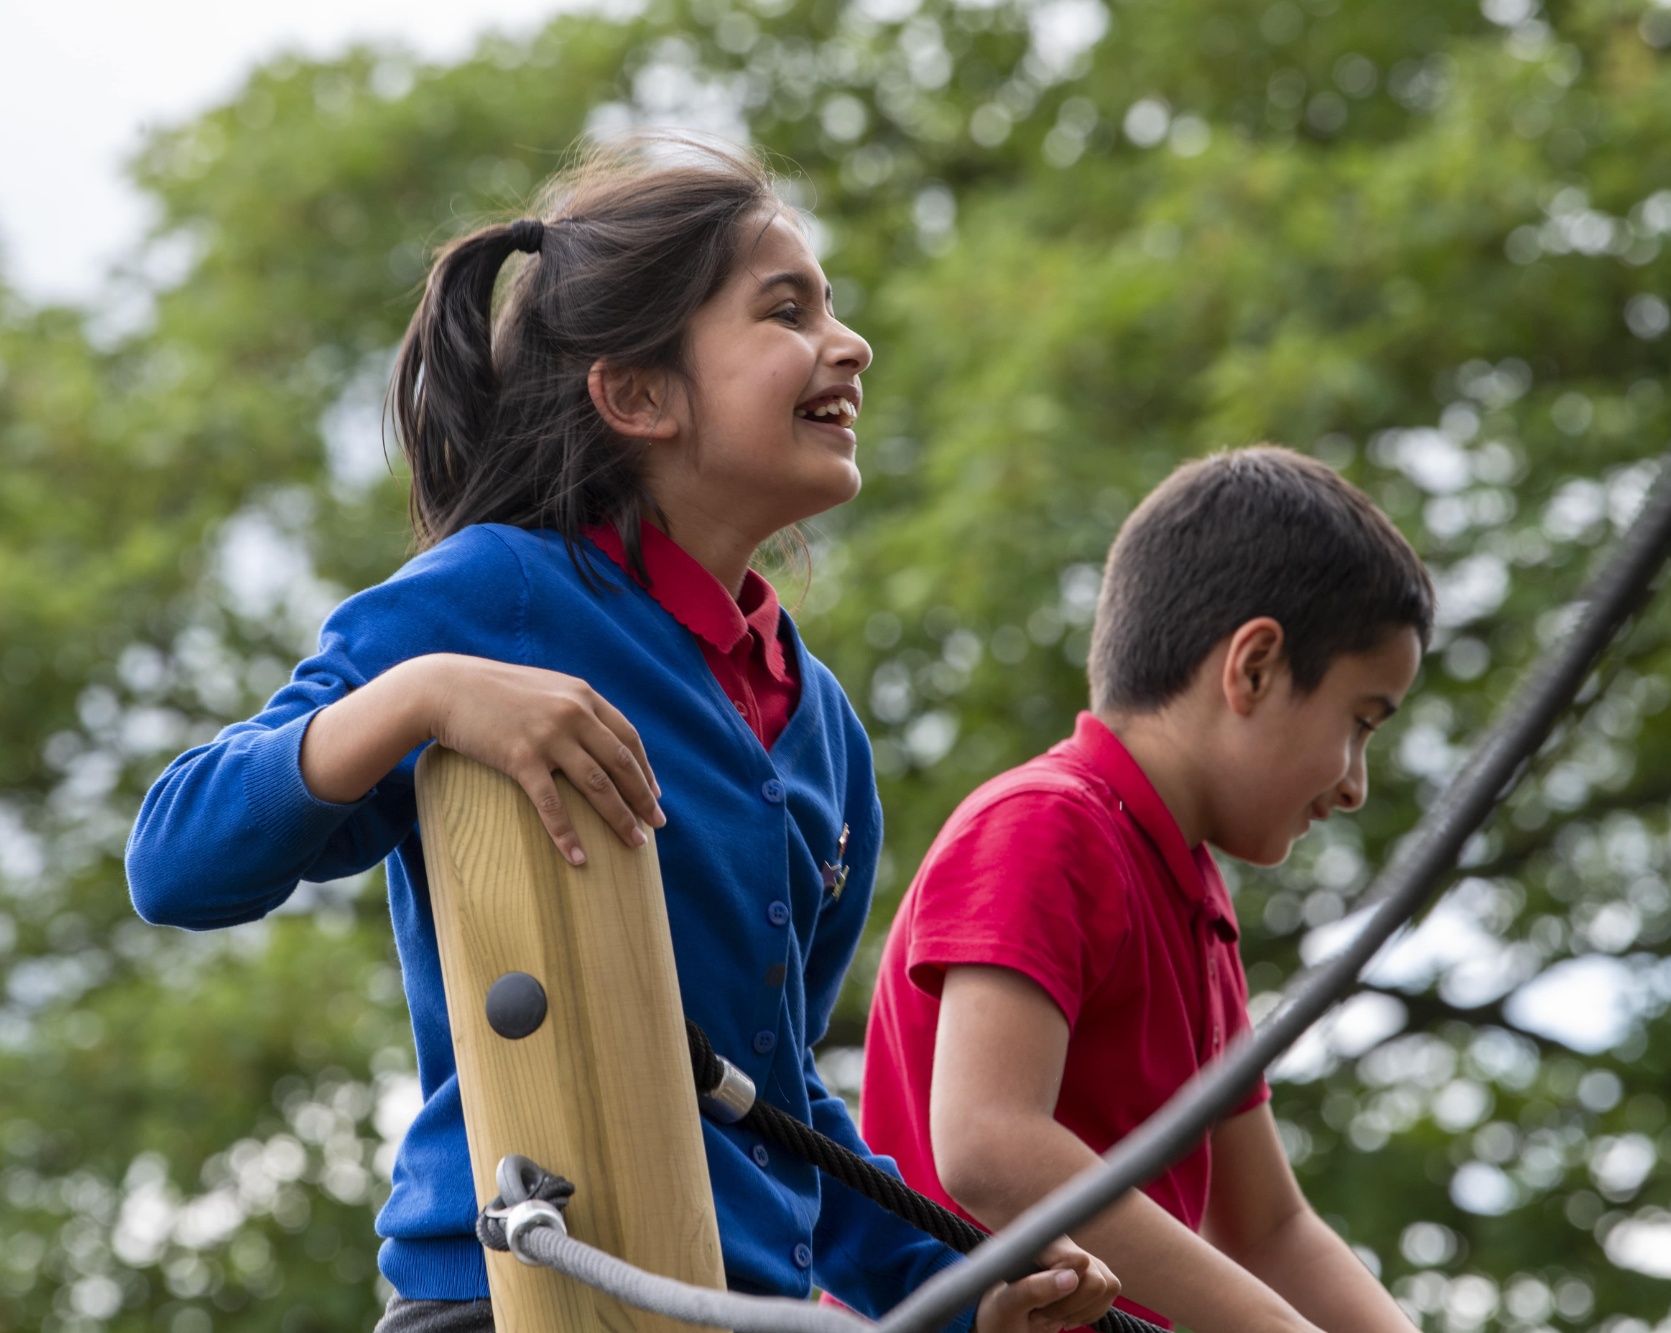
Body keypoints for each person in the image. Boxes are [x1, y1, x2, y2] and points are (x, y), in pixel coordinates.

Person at [125, 136, 1113, 1333]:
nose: (848, 346)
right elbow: (175, 857)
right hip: (508, 1293)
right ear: (637, 394)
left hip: (727, 1304)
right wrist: (424, 695)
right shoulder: (498, 598)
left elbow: (774, 1098)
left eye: (832, 308)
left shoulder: (824, 731)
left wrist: (968, 1286)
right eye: (786, 311)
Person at [861, 447, 1434, 1332]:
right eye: (1359, 723)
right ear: (1253, 667)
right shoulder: (1045, 825)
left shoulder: (1195, 900)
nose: (1357, 782)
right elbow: (987, 1141)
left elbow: (1269, 1225)